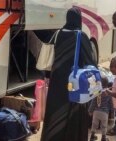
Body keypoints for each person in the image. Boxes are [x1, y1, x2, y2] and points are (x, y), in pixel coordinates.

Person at [41, 7, 97, 141]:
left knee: (56, 109)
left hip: (57, 81)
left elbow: (50, 60)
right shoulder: (81, 36)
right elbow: (90, 62)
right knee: (74, 111)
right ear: (79, 20)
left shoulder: (58, 34)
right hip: (75, 82)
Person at [89, 76, 111, 141]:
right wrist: (112, 113)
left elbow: (93, 102)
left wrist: (90, 110)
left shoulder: (97, 92)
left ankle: (92, 136)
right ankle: (103, 138)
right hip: (105, 113)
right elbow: (111, 104)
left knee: (94, 124)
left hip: (96, 112)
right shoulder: (109, 92)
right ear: (107, 84)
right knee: (104, 126)